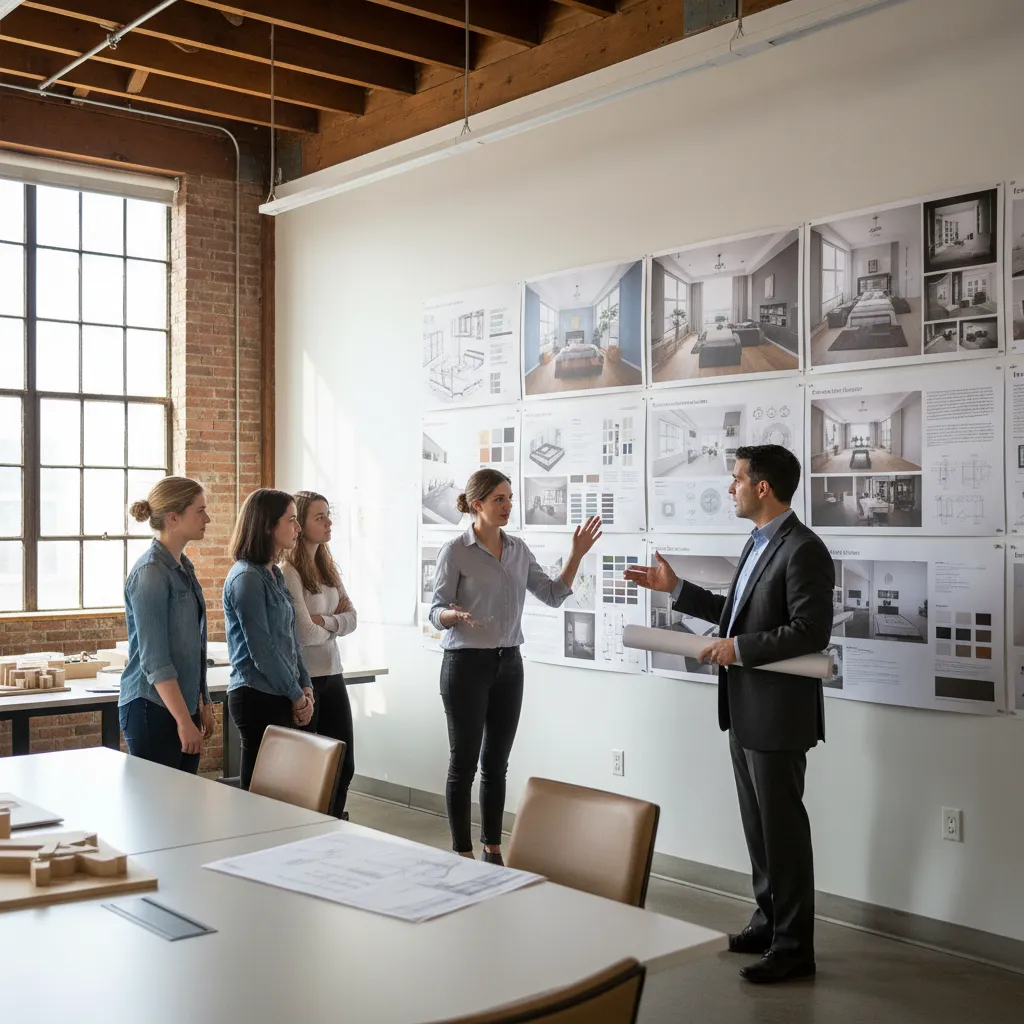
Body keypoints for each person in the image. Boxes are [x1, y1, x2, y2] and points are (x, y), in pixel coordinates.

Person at [625, 445, 833, 985]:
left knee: (783, 832)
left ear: (762, 488)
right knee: (759, 829)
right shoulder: (757, 542)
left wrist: (736, 650)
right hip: (744, 709)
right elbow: (736, 613)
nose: (730, 487)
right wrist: (676, 590)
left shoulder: (803, 549)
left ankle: (794, 948)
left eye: (737, 478)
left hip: (778, 714)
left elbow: (810, 632)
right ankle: (768, 923)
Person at [429, 468, 603, 864]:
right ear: (477, 505)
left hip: (509, 665)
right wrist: (452, 616)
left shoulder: (519, 550)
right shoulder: (455, 550)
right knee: (464, 763)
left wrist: (576, 554)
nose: (508, 506)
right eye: (499, 500)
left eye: (509, 498)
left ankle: (492, 849)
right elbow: (435, 611)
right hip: (464, 665)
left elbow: (554, 595)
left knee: (496, 764)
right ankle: (462, 852)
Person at [119, 477, 214, 773]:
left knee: (183, 807)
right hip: (152, 707)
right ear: (173, 518)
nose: (207, 518)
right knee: (159, 812)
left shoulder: (183, 566)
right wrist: (184, 721)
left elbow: (193, 648)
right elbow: (155, 660)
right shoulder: (150, 573)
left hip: (180, 707)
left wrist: (203, 701)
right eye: (200, 511)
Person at [223, 488, 315, 790]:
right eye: (291, 521)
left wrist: (306, 686)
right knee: (261, 796)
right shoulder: (246, 578)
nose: (298, 529)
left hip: (282, 693)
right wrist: (296, 695)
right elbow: (263, 651)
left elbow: (291, 638)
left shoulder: (274, 573)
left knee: (284, 790)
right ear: (267, 526)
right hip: (256, 696)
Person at [280, 491, 357, 819]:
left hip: (332, 673)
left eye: (329, 515)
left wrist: (324, 622)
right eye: (319, 517)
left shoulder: (328, 569)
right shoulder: (288, 572)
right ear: (301, 524)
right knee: (309, 768)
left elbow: (352, 618)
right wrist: (332, 625)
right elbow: (301, 633)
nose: (329, 522)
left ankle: (334, 823)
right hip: (306, 679)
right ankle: (308, 828)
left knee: (344, 762)